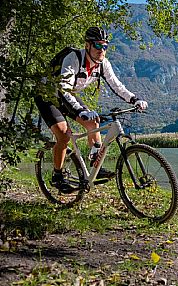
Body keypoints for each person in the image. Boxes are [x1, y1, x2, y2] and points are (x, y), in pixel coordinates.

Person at [35, 26, 148, 192]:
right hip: (48, 95)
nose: (101, 50)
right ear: (87, 45)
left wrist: (134, 99)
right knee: (64, 136)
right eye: (97, 45)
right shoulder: (73, 58)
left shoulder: (103, 64)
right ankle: (57, 176)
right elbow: (63, 88)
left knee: (93, 123)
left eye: (105, 46)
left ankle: (95, 162)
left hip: (68, 95)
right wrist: (80, 111)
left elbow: (117, 86)